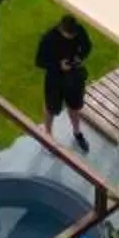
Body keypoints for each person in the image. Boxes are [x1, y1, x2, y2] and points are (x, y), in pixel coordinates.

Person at [34, 13, 94, 150]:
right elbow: (39, 61)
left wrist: (79, 57)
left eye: (73, 35)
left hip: (74, 75)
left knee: (75, 106)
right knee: (51, 107)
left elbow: (87, 46)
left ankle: (77, 132)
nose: (72, 37)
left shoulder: (78, 30)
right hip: (55, 79)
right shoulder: (48, 39)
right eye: (69, 35)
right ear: (61, 29)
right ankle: (48, 135)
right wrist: (58, 65)